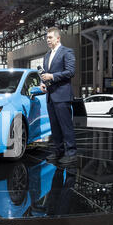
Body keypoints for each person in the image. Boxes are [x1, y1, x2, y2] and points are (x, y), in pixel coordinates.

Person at [40, 26, 77, 165]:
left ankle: (72, 153)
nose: (47, 40)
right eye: (46, 38)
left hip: (62, 96)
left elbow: (70, 72)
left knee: (66, 126)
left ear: (58, 38)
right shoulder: (47, 55)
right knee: (54, 127)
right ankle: (58, 151)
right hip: (50, 96)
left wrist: (53, 76)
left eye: (50, 37)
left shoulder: (67, 52)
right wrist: (42, 83)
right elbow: (44, 74)